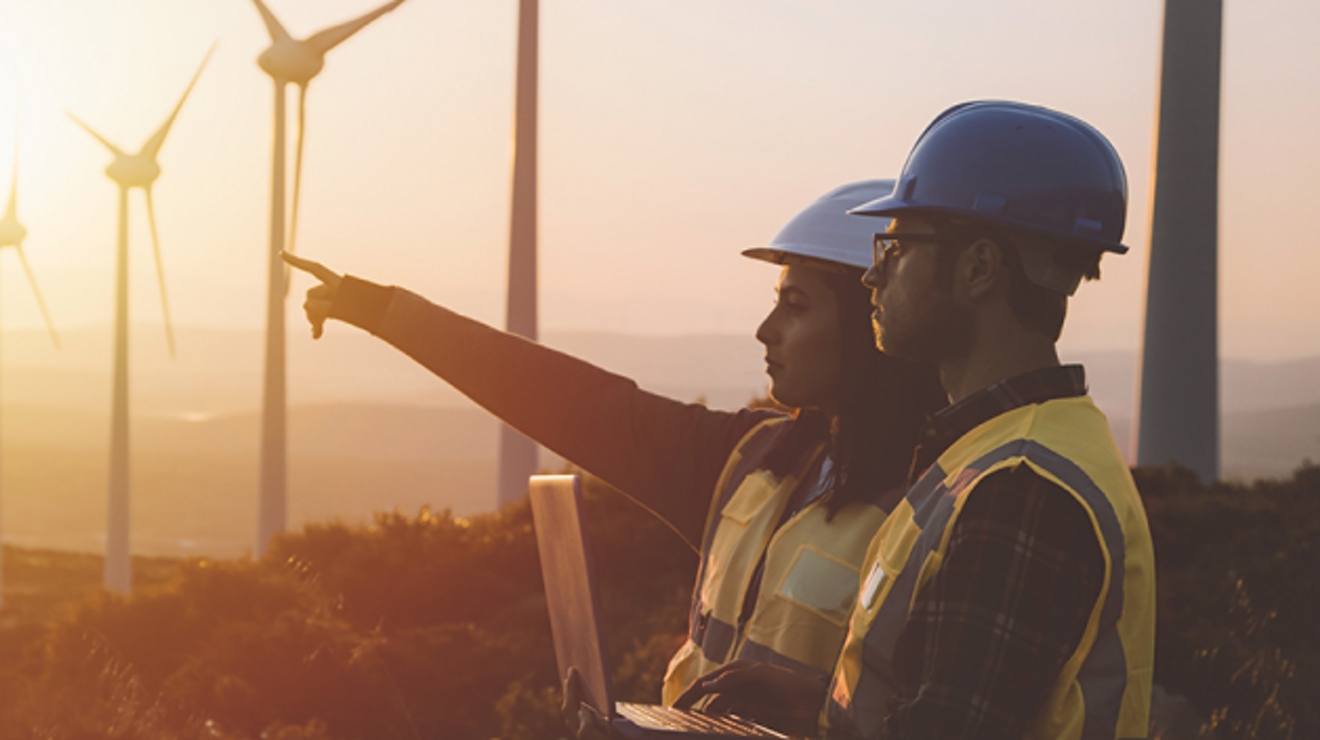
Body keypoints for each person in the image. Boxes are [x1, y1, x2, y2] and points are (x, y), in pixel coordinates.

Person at [282, 181, 948, 724]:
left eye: (796, 308)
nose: (766, 331)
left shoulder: (942, 503)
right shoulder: (748, 461)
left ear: (869, 324)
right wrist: (378, 310)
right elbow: (566, 399)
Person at [677, 101, 1157, 740]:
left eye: (897, 247)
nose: (874, 273)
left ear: (979, 268)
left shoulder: (1020, 487)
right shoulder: (992, 454)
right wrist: (822, 707)